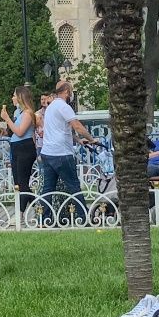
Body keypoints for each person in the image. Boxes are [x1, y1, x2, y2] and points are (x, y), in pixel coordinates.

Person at [37, 80, 94, 222]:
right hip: (62, 153)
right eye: (71, 91)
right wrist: (91, 139)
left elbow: (62, 129)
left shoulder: (50, 108)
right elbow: (77, 126)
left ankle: (44, 219)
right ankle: (84, 217)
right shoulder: (64, 107)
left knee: (48, 188)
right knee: (74, 186)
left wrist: (79, 140)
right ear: (67, 92)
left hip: (48, 153)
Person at [0, 86, 38, 214]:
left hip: (25, 148)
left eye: (14, 95)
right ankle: (39, 207)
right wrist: (6, 131)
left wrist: (7, 119)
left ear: (21, 97)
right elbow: (14, 131)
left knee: (23, 182)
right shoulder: (18, 113)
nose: (12, 98)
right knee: (18, 183)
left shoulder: (28, 113)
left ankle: (20, 213)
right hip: (16, 147)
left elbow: (21, 132)